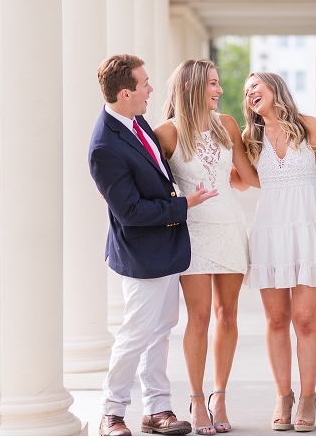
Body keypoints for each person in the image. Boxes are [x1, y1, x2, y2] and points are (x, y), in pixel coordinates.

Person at [89, 54, 218, 437]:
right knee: (135, 333)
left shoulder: (135, 120)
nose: (150, 89)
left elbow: (151, 177)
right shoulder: (104, 145)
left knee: (160, 329)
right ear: (125, 93)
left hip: (165, 247)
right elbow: (130, 212)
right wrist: (184, 204)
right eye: (144, 84)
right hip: (142, 252)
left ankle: (157, 409)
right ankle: (111, 412)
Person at [154, 59, 259, 436]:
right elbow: (148, 181)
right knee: (198, 319)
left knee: (227, 315)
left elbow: (247, 178)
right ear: (190, 87)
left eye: (218, 83)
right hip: (193, 232)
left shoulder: (227, 124)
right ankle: (196, 399)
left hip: (230, 227)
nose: (219, 90)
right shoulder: (166, 133)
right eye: (213, 84)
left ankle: (220, 396)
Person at [241, 72, 316, 433]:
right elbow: (235, 177)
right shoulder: (250, 137)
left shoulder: (313, 128)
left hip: (308, 233)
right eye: (246, 90)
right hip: (269, 235)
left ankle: (309, 398)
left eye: (256, 86)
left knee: (306, 320)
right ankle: (284, 396)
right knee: (277, 320)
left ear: (275, 88)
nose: (250, 93)